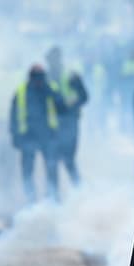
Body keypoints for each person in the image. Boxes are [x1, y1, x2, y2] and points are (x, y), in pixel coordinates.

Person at [9, 65, 68, 203]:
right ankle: (31, 200)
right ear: (30, 77)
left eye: (41, 77)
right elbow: (13, 114)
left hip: (48, 136)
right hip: (27, 136)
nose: (38, 80)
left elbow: (63, 108)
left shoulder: (51, 89)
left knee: (51, 167)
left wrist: (51, 93)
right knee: (27, 171)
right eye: (36, 77)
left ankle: (53, 198)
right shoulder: (21, 91)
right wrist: (14, 134)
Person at [46, 46, 88, 186]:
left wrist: (70, 103)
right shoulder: (45, 78)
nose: (53, 62)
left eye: (55, 59)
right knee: (51, 161)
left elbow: (84, 96)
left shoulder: (71, 75)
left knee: (68, 159)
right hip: (51, 125)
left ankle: (79, 190)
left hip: (69, 123)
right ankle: (54, 198)